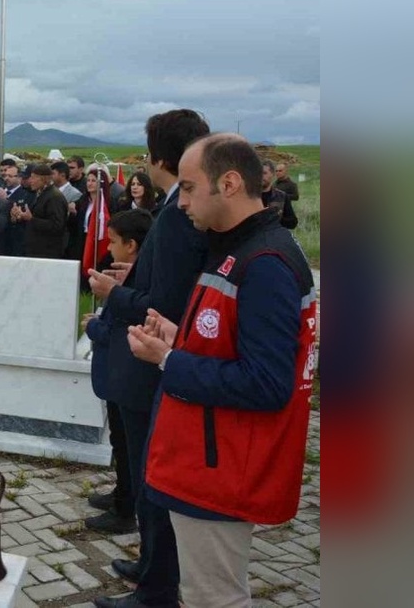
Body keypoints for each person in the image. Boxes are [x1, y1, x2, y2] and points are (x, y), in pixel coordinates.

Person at [126, 134, 316, 608]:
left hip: (222, 468)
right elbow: (230, 341)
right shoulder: (240, 247)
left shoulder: (265, 261)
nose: (181, 201)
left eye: (189, 188)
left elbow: (268, 384)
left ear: (228, 183)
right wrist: (177, 337)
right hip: (207, 459)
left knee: (214, 598)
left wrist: (170, 361)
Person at [86, 108, 210, 608]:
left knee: (151, 476)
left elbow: (166, 303)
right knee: (142, 471)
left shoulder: (181, 213)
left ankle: (157, 588)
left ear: (158, 157)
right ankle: (150, 563)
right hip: (147, 356)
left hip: (148, 360)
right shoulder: (177, 205)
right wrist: (129, 279)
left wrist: (113, 293)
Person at [82, 208, 153, 536]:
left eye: (112, 242)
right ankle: (121, 493)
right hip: (115, 376)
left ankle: (127, 509)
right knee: (119, 441)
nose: (107, 247)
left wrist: (95, 326)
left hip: (127, 373)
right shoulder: (135, 273)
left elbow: (120, 329)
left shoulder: (146, 280)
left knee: (128, 444)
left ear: (132, 245)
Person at [14, 164, 68, 259]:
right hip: (35, 250)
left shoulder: (54, 197)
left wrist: (31, 219)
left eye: (34, 178)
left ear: (44, 179)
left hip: (47, 252)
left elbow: (57, 225)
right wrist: (21, 216)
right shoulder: (40, 194)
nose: (31, 181)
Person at [68, 167, 113, 263]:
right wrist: (73, 213)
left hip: (98, 241)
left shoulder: (108, 203)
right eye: (88, 180)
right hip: (82, 241)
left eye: (93, 181)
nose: (89, 183)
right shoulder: (82, 201)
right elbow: (74, 225)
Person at [4, 165, 37, 257]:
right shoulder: (0, 191)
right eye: (5, 175)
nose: (6, 178)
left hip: (20, 240)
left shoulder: (28, 194)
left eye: (10, 176)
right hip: (5, 239)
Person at [261, 159, 298, 230]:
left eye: (264, 173)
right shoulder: (249, 197)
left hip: (274, 237)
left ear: (272, 174)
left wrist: (274, 217)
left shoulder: (283, 197)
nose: (260, 176)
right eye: (258, 173)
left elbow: (293, 223)